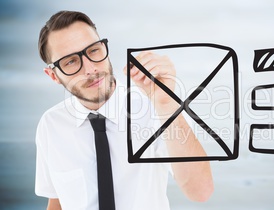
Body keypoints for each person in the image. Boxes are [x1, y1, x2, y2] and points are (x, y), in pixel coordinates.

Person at [35, 10, 213, 210]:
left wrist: (166, 105)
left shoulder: (154, 107)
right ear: (53, 76)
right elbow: (58, 200)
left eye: (93, 50)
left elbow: (200, 191)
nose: (90, 69)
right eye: (70, 61)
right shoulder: (51, 124)